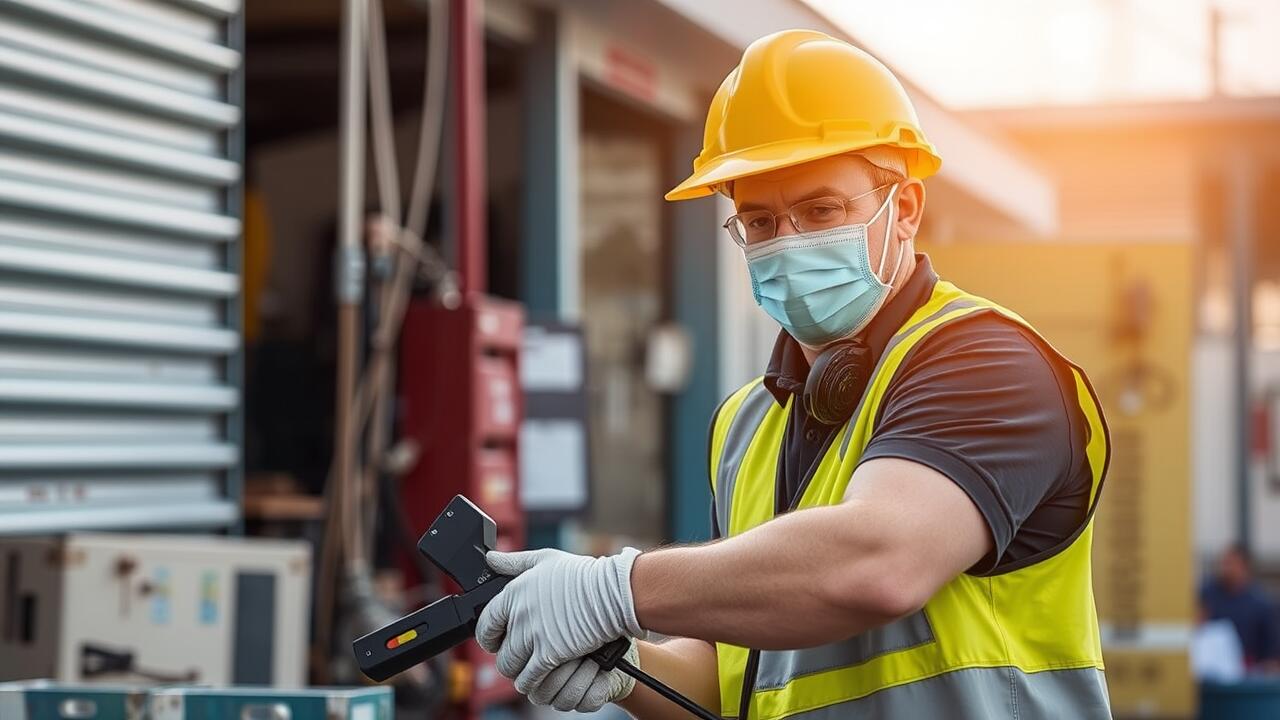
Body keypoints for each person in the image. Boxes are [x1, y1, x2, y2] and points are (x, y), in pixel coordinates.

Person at [475, 29, 1112, 719]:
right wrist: (623, 666)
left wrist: (611, 590)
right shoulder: (743, 423)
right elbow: (730, 681)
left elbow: (880, 563)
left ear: (904, 209)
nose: (788, 242)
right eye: (759, 221)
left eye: (821, 210)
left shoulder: (988, 363)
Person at [1200, 543, 1279, 672]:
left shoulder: (1261, 604)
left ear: (1244, 567)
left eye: (1230, 563)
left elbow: (1271, 653)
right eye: (1224, 563)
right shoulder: (1208, 594)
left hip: (1247, 674)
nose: (1225, 568)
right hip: (1211, 671)